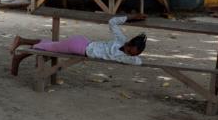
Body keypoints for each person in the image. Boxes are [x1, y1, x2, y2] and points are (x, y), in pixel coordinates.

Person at [9, 14, 147, 76]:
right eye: (130, 50)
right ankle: (19, 56)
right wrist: (131, 17)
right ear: (129, 42)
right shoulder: (121, 41)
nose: (129, 53)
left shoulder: (125, 49)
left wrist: (136, 54)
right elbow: (112, 22)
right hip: (78, 47)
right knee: (47, 48)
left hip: (82, 42)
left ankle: (22, 41)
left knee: (50, 45)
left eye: (132, 54)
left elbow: (137, 60)